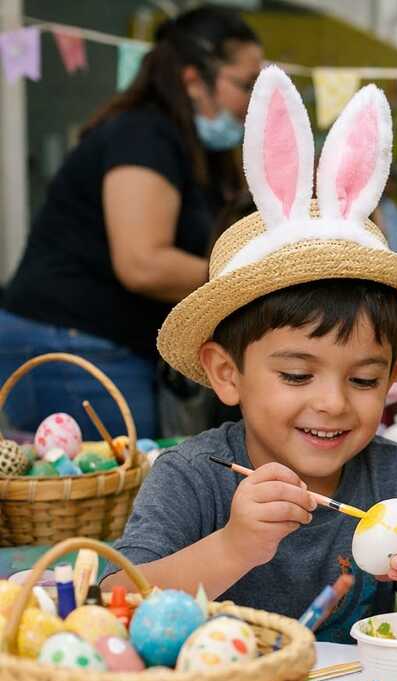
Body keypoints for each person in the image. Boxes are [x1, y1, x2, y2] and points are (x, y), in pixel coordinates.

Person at [101, 67, 397, 642]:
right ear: (227, 374)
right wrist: (233, 547)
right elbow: (111, 599)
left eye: (363, 380)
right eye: (298, 374)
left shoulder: (395, 475)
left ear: (393, 378)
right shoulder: (193, 477)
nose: (331, 403)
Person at [0, 7, 261, 440]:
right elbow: (142, 263)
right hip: (72, 342)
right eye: (247, 84)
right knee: (117, 491)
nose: (255, 99)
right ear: (194, 80)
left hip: (103, 344)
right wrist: (249, 280)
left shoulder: (193, 150)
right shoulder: (143, 136)